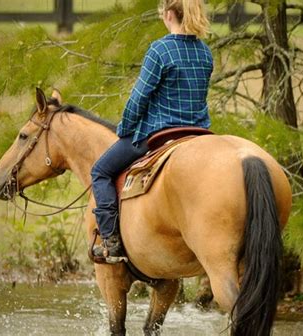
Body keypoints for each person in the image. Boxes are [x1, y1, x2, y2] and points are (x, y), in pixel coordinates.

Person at [91, 0, 213, 259]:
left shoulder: (160, 50)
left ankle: (111, 242)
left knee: (100, 171)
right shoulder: (205, 52)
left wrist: (125, 129)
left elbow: (138, 99)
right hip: (198, 134)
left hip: (159, 135)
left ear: (169, 15)